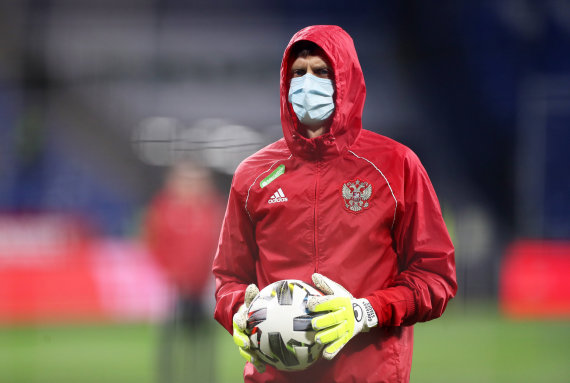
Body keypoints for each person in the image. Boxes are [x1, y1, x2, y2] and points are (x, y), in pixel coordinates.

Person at [213, 25, 457, 383]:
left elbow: (435, 278)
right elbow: (229, 279)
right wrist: (237, 312)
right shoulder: (252, 175)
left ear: (346, 80)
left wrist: (365, 312)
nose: (307, 82)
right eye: (298, 72)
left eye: (321, 71)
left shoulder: (396, 165)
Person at [145, 159, 223, 382]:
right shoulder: (163, 208)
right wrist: (170, 272)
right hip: (171, 282)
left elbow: (221, 242)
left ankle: (204, 375)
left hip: (206, 282)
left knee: (204, 335)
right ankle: (167, 375)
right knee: (170, 332)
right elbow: (155, 242)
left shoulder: (213, 208)